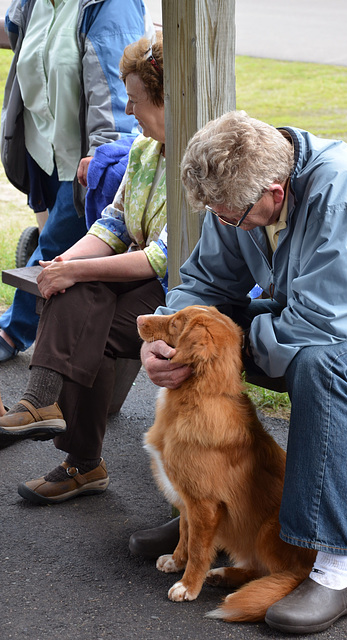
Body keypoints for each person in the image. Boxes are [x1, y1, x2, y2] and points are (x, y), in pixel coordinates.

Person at [138, 111, 347, 634]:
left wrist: (219, 346)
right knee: (212, 330)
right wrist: (168, 339)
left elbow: (320, 324)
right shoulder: (238, 194)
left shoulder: (342, 195)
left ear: (275, 190)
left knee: (322, 367)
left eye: (230, 217)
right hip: (327, 311)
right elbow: (204, 283)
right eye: (215, 216)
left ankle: (336, 569)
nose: (223, 224)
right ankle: (207, 509)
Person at [0, 35, 169, 505]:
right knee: (67, 289)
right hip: (140, 275)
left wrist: (77, 272)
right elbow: (114, 224)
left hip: (184, 288)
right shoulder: (143, 152)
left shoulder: (196, 160)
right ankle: (46, 413)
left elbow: (163, 257)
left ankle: (77, 454)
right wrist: (65, 263)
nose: (130, 111)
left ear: (166, 98)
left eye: (135, 100)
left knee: (86, 318)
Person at [0, 0, 154, 362]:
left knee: (56, 247)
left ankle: (14, 331)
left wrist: (104, 161)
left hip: (83, 160)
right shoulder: (34, 3)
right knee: (52, 243)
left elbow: (116, 93)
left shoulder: (110, 6)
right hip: (41, 150)